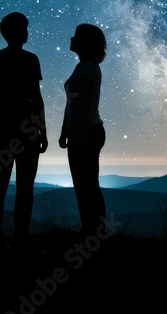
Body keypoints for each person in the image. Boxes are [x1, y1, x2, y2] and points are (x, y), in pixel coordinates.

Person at [0, 12, 47, 243]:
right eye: (24, 29)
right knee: (24, 187)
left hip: (3, 129)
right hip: (27, 129)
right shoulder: (30, 60)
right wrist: (43, 131)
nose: (27, 33)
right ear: (16, 32)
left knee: (0, 182)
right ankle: (21, 233)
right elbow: (36, 99)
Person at [59, 23, 106, 235]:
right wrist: (65, 128)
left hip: (86, 132)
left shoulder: (87, 67)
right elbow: (73, 102)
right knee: (86, 185)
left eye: (76, 36)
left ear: (85, 42)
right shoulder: (83, 66)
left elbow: (86, 104)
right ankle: (93, 232)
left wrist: (77, 133)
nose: (71, 38)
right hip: (84, 131)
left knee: (86, 186)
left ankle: (93, 233)